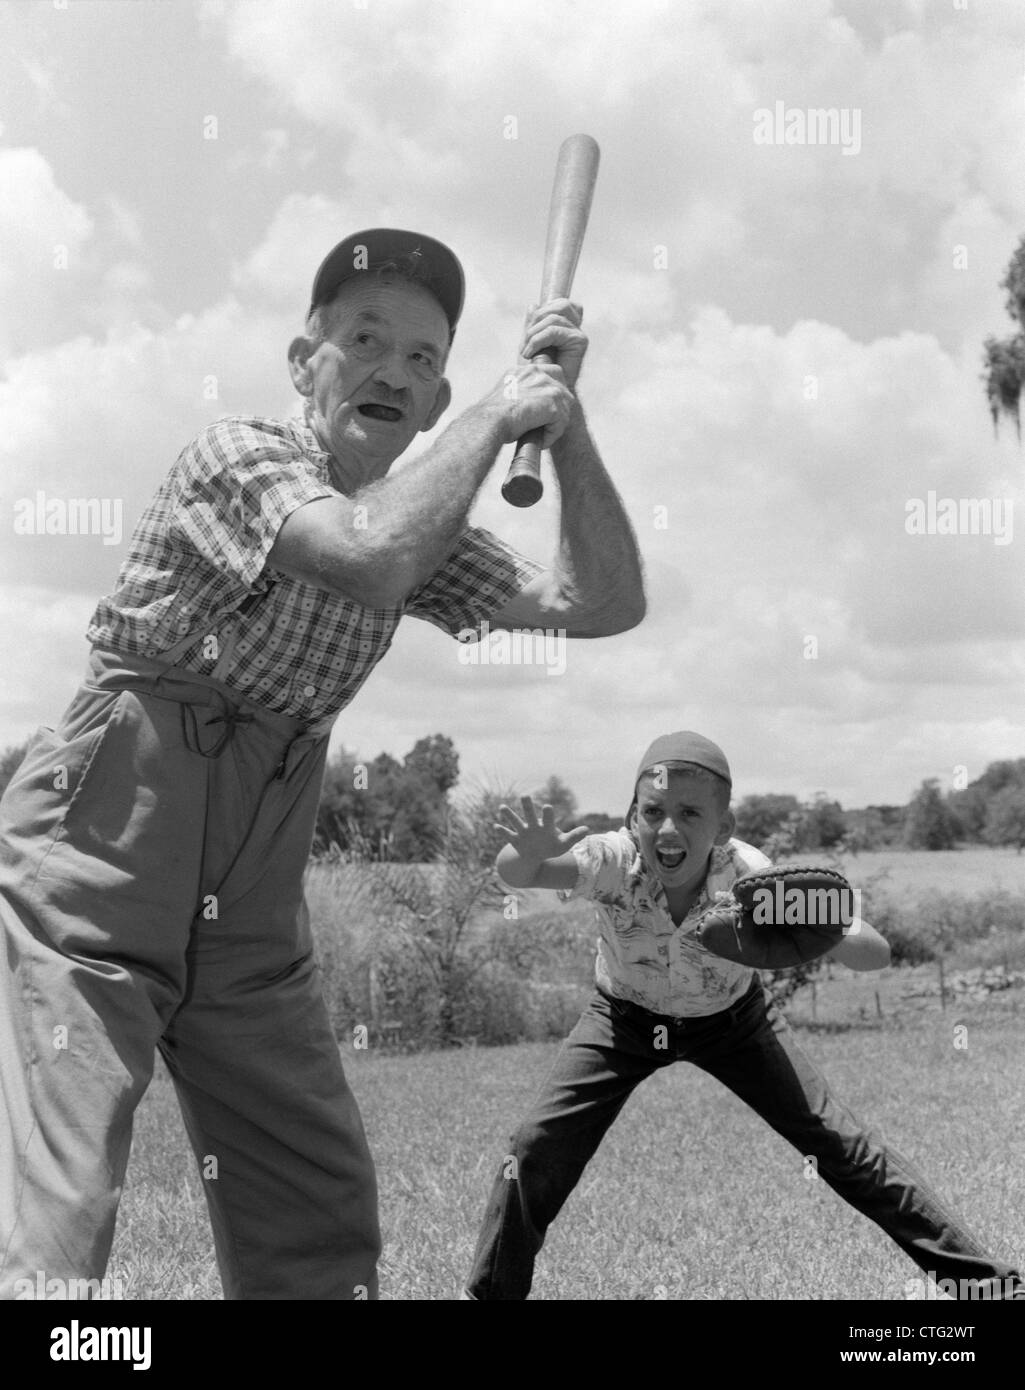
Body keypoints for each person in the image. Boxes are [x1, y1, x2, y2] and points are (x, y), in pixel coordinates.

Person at [0, 228, 645, 1301]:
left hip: (256, 861)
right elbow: (364, 551)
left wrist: (563, 427)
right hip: (110, 835)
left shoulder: (423, 516)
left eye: (423, 358)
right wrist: (498, 408)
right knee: (67, 1195)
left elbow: (600, 602)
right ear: (307, 364)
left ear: (432, 404)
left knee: (313, 1194)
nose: (394, 368)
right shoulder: (236, 457)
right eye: (365, 338)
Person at [464, 731, 1024, 1300]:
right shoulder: (612, 859)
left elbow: (874, 953)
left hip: (733, 1023)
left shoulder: (752, 877)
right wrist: (530, 850)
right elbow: (520, 874)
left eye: (689, 813)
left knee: (842, 1146)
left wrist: (823, 923)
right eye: (652, 812)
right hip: (621, 1021)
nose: (667, 829)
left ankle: (992, 1289)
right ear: (633, 816)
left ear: (723, 827)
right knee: (535, 1147)